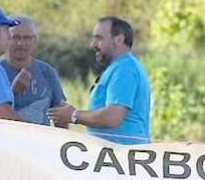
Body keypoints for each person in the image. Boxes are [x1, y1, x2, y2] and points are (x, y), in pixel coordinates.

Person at [48, 16, 150, 144]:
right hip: (114, 158)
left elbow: (112, 117)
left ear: (119, 39)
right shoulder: (118, 68)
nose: (93, 44)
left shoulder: (124, 68)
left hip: (122, 158)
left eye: (99, 38)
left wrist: (73, 115)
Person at [1, 15, 67, 127]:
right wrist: (13, 92)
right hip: (4, 141)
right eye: (16, 37)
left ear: (34, 40)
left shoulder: (47, 71)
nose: (21, 43)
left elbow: (60, 115)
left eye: (27, 38)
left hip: (40, 141)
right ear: (7, 38)